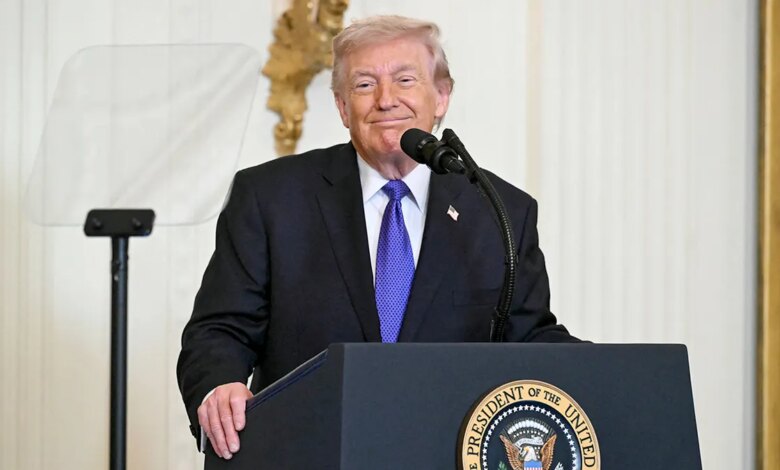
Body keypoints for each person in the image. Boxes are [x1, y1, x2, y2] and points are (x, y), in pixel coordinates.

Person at [176, 15, 577, 461]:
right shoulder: (270, 197)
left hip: (444, 451)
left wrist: (608, 374)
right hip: (307, 451)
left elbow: (528, 339)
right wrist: (219, 384)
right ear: (343, 108)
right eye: (365, 85)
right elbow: (219, 330)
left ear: (441, 96)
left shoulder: (499, 210)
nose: (386, 100)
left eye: (406, 80)